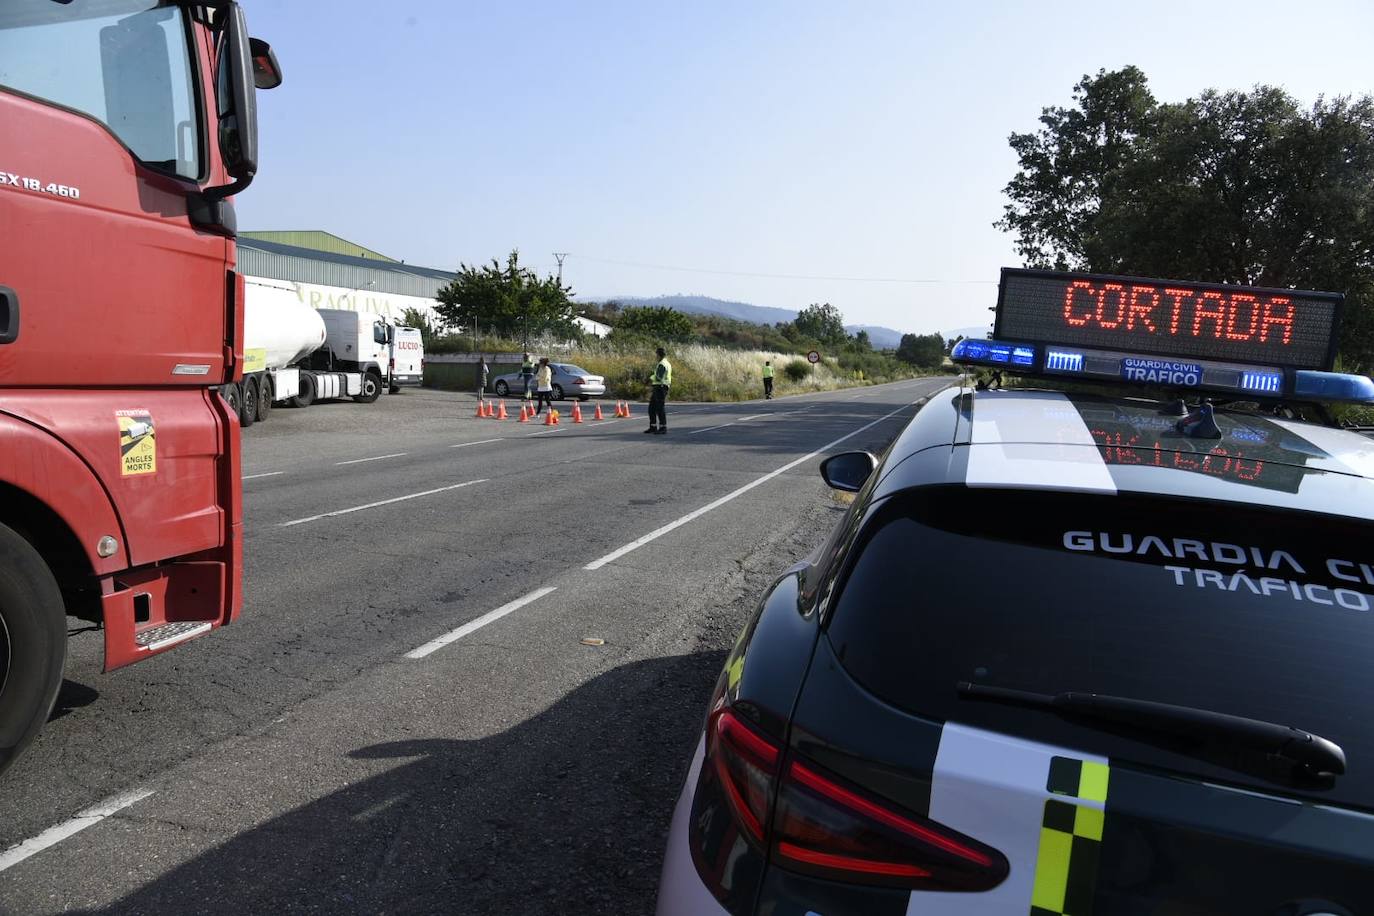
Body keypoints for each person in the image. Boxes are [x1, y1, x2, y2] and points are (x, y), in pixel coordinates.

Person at [646, 346, 671, 435]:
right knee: (652, 408)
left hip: (661, 387)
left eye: (656, 354)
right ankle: (653, 426)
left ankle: (663, 427)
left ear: (659, 355)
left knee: (660, 408)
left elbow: (659, 377)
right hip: (659, 387)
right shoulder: (664, 363)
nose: (655, 356)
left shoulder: (662, 364)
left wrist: (651, 377)